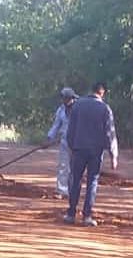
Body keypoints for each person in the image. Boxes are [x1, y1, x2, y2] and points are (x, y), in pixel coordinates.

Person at [64, 82, 118, 227]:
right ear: (102, 93)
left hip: (79, 149)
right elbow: (110, 134)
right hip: (95, 151)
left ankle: (70, 213)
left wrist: (71, 147)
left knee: (75, 180)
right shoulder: (105, 108)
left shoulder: (78, 105)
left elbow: (71, 130)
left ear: (92, 90)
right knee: (92, 181)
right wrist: (113, 155)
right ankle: (87, 216)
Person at [46, 87, 78, 198]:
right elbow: (56, 125)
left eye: (67, 98)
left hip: (77, 142)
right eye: (63, 98)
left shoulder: (79, 109)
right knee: (63, 166)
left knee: (75, 167)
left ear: (72, 98)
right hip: (64, 141)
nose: (65, 100)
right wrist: (50, 137)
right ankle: (61, 190)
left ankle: (73, 191)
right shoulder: (61, 110)